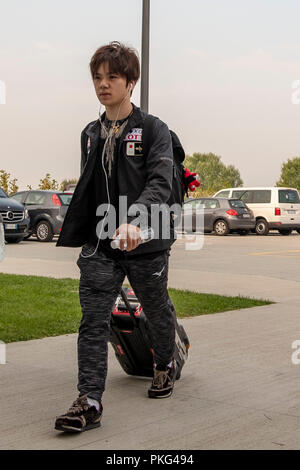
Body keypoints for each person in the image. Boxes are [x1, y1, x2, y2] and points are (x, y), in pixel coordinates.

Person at [54, 41, 184, 433]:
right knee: (93, 321)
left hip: (147, 241)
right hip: (102, 244)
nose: (103, 84)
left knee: (157, 310)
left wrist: (134, 220)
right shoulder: (91, 133)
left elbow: (162, 181)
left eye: (112, 76)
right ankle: (89, 400)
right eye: (97, 77)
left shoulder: (153, 129)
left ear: (131, 82)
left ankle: (164, 362)